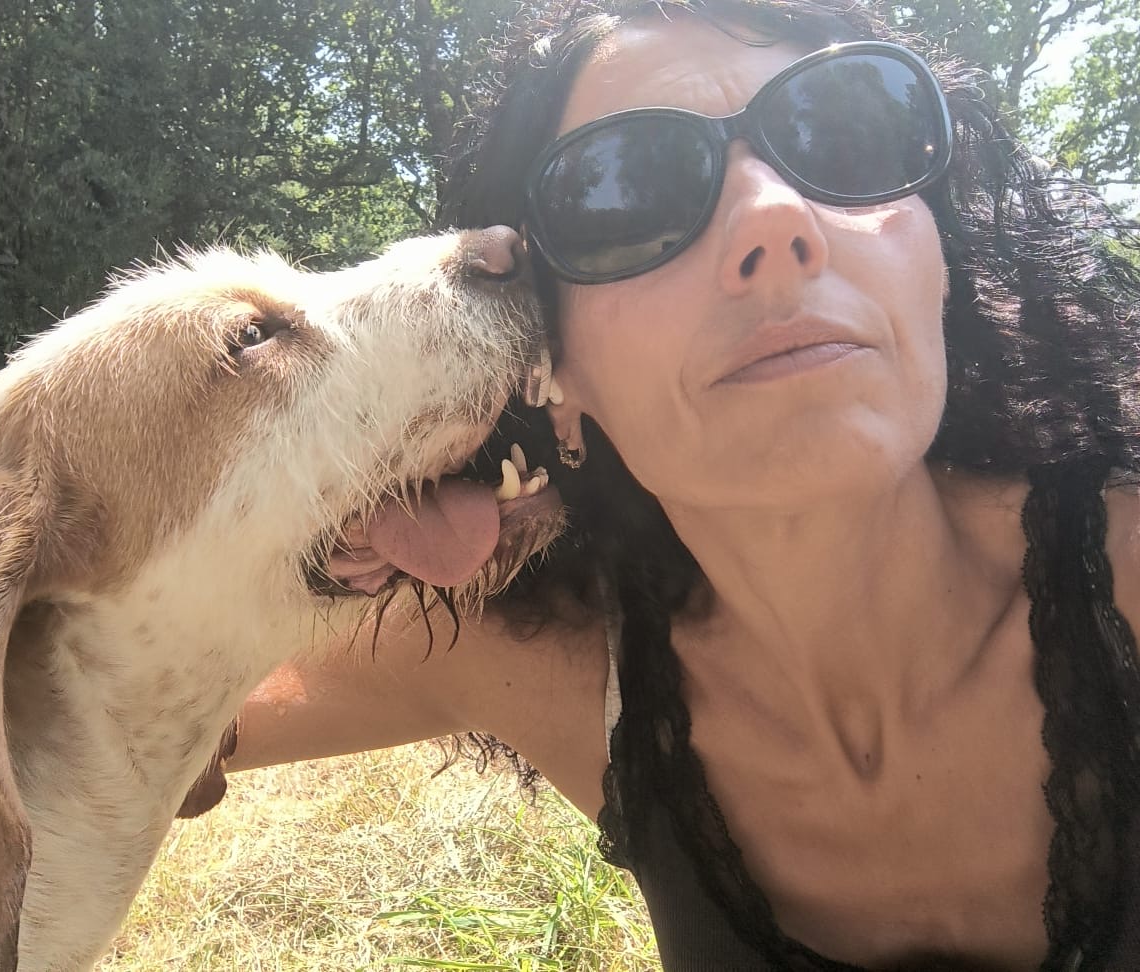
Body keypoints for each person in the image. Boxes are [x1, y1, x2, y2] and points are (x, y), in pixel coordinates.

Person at [224, 0, 1140, 967]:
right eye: (629, 196)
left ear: (939, 263)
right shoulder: (564, 673)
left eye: (845, 135)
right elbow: (130, 699)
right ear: (551, 374)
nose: (777, 216)